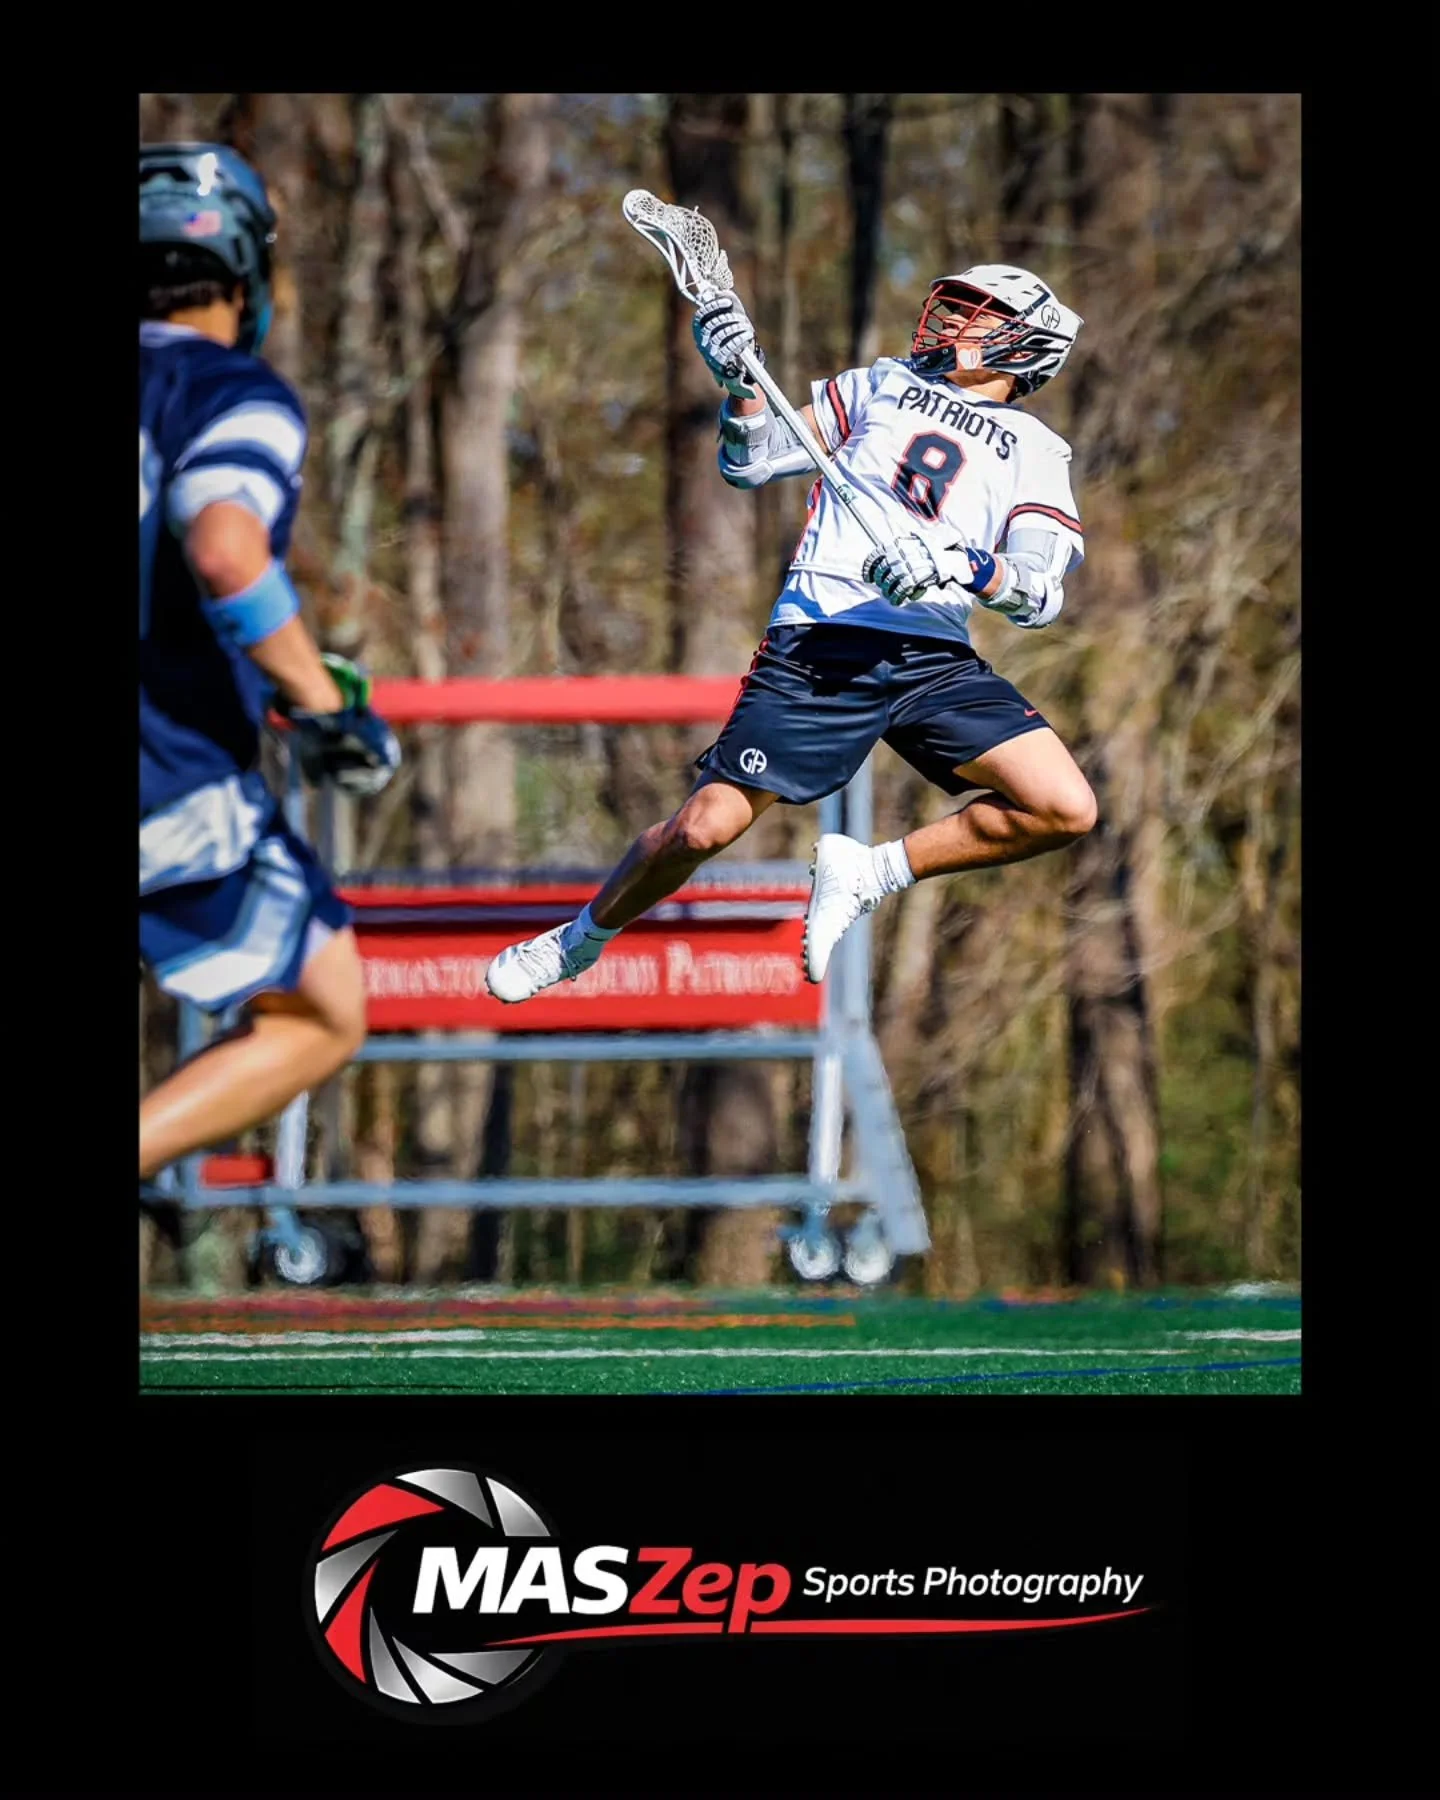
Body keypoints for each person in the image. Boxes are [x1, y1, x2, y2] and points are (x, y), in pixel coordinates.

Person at [485, 263, 1096, 1004]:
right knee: (702, 830)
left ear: (1025, 343)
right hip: (822, 642)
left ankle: (870, 872)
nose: (951, 320)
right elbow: (750, 460)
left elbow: (1040, 592)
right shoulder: (880, 384)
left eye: (977, 310)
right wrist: (739, 381)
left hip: (933, 655)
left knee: (1064, 807)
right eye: (956, 304)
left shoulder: (1036, 448)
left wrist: (960, 563)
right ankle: (577, 941)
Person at [139, 142, 400, 1191]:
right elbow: (226, 550)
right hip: (166, 773)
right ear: (244, 278)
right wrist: (320, 700)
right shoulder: (226, 391)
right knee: (321, 1011)